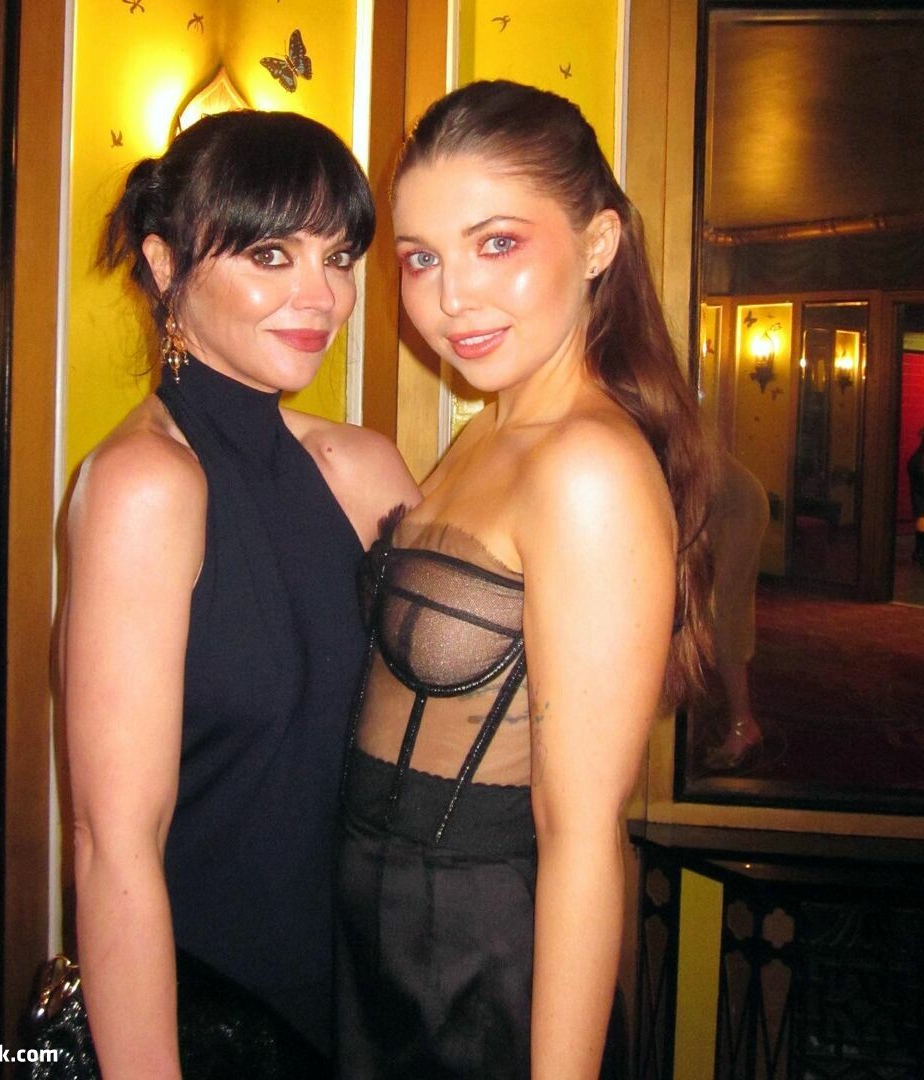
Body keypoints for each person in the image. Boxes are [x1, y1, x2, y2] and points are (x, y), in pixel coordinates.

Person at [335, 80, 712, 1079]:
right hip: (382, 943)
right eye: (422, 258)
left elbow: (582, 837)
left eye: (495, 243)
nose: (450, 298)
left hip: (480, 962)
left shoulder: (588, 468)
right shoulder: (484, 433)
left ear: (598, 243)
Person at [63, 109, 419, 1079]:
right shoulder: (144, 486)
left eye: (338, 256)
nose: (322, 296)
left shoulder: (363, 468)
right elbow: (111, 844)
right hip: (225, 1015)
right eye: (271, 254)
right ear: (165, 264)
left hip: (380, 997)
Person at [703, 448, 769, 771]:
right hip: (716, 507)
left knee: (724, 614)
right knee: (713, 612)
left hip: (739, 507)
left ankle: (744, 726)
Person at [909, 427, 924, 566]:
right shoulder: (918, 459)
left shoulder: (916, 458)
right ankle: (919, 551)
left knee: (922, 523)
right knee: (922, 523)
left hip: (918, 494)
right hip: (920, 495)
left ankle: (919, 550)